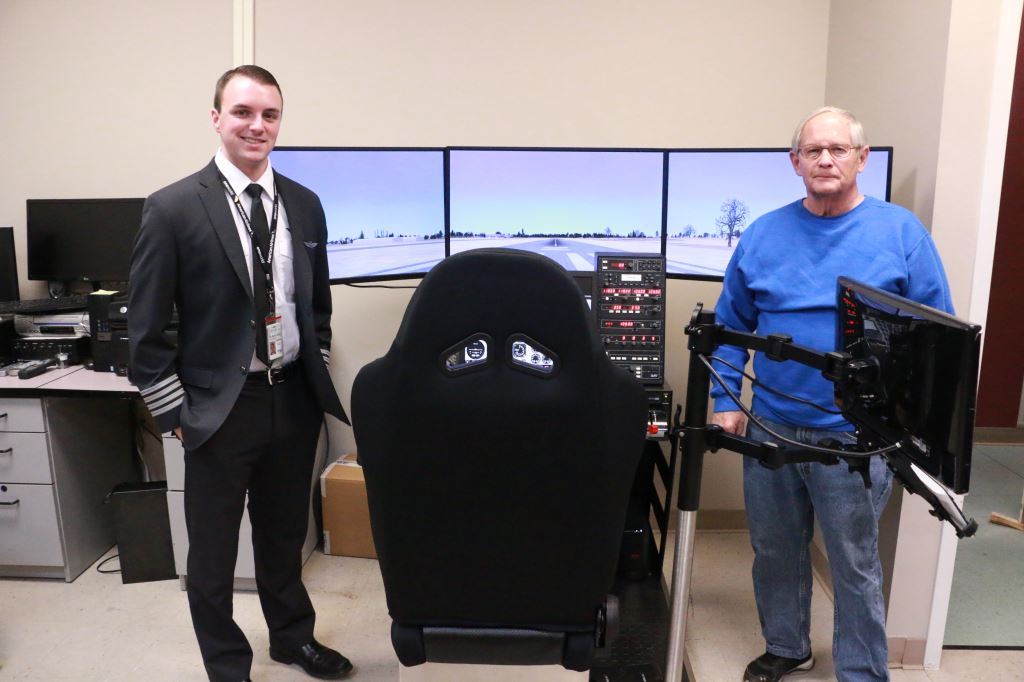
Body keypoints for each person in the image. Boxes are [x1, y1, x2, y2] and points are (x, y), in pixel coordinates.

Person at [711, 107, 953, 682]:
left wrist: (914, 424)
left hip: (856, 435)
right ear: (795, 162)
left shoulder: (900, 234)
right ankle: (788, 646)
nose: (825, 159)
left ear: (861, 159)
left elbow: (937, 337)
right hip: (771, 421)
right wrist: (723, 404)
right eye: (813, 150)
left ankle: (863, 672)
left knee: (854, 560)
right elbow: (728, 327)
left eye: (838, 150)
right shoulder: (763, 233)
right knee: (775, 551)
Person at [129, 65, 353, 682]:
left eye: (270, 115)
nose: (258, 126)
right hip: (217, 410)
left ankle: (292, 639)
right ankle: (228, 665)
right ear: (216, 118)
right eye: (244, 112)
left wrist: (315, 366)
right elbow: (145, 335)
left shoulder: (304, 206)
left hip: (291, 400)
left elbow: (318, 307)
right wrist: (176, 416)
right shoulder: (173, 208)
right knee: (213, 555)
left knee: (284, 539)